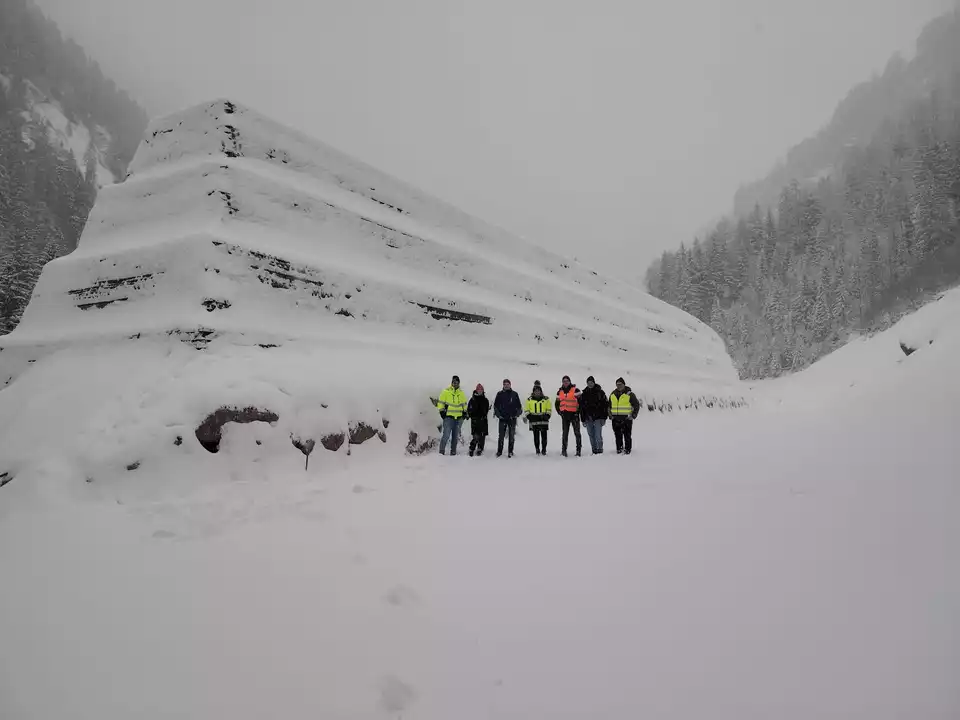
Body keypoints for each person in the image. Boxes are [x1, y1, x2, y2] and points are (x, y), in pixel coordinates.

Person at [609, 377, 640, 455]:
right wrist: (610, 415)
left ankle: (627, 449)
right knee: (617, 435)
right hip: (615, 418)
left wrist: (633, 415)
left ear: (624, 384)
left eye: (620, 384)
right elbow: (609, 406)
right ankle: (619, 449)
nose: (619, 386)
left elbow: (636, 405)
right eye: (617, 384)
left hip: (626, 418)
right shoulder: (613, 394)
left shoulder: (630, 394)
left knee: (627, 435)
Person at [437, 375, 467, 455]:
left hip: (458, 419)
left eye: (457, 382)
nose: (455, 384)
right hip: (448, 418)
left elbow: (464, 404)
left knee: (455, 437)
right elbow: (440, 403)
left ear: (459, 383)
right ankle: (441, 452)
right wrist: (442, 412)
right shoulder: (446, 391)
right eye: (454, 382)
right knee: (446, 435)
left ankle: (453, 452)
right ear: (451, 382)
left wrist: (464, 412)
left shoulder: (461, 393)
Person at [493, 378, 522, 458]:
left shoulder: (514, 394)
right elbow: (496, 406)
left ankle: (510, 451)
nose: (506, 386)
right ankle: (499, 451)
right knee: (501, 436)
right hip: (502, 419)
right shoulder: (499, 394)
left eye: (507, 384)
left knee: (511, 436)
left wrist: (517, 414)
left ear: (510, 385)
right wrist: (499, 415)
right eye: (505, 384)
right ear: (503, 385)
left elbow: (519, 407)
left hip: (512, 419)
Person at [555, 375, 582, 457]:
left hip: (574, 415)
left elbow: (581, 402)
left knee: (577, 433)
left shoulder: (575, 390)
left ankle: (578, 450)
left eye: (567, 381)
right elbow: (557, 403)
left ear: (570, 381)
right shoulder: (560, 391)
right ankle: (564, 450)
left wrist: (578, 412)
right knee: (565, 434)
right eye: (564, 381)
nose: (565, 382)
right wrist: (560, 412)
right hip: (565, 415)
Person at [579, 375, 608, 454]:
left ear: (594, 382)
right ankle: (594, 450)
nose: (590, 384)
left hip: (598, 418)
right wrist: (583, 419)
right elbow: (581, 408)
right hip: (588, 418)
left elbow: (605, 405)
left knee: (598, 435)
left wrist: (604, 418)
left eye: (591, 382)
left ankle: (600, 449)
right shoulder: (584, 394)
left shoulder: (600, 392)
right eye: (588, 383)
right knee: (591, 435)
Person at [524, 380, 552, 455]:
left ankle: (544, 449)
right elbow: (526, 410)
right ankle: (537, 449)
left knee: (544, 436)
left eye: (538, 391)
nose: (537, 392)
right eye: (535, 391)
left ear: (541, 391)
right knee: (536, 436)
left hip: (543, 420)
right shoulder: (529, 400)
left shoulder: (546, 399)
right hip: (534, 420)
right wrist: (530, 417)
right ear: (533, 392)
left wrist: (547, 416)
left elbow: (549, 409)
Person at [467, 384, 490, 457]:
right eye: (478, 389)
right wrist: (472, 415)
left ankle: (480, 448)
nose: (480, 391)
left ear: (483, 391)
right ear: (476, 390)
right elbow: (469, 409)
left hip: (483, 420)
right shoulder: (472, 399)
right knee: (476, 436)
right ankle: (471, 448)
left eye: (481, 389)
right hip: (475, 420)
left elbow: (486, 410)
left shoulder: (485, 400)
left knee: (482, 435)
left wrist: (484, 415)